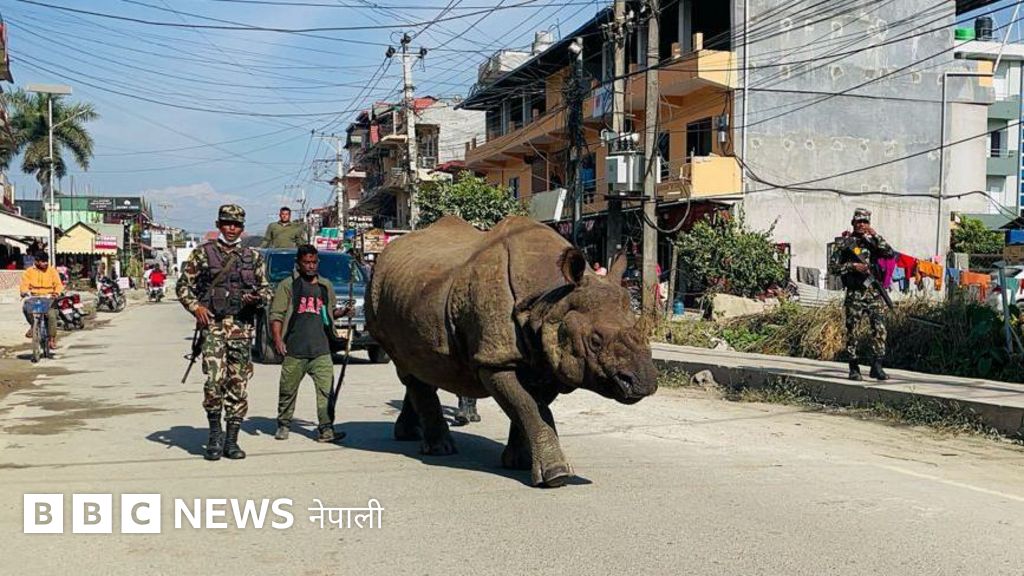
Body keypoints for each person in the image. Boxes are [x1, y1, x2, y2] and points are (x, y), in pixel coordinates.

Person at [177, 205, 271, 461]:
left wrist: (256, 297)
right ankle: (214, 437)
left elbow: (266, 290)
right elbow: (183, 286)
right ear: (219, 225)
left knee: (238, 385)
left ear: (242, 227)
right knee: (213, 384)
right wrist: (196, 307)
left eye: (236, 224)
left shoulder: (253, 256)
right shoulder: (203, 254)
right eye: (227, 223)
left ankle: (232, 440)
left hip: (240, 328)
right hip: (214, 329)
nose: (231, 228)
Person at [269, 244, 354, 443]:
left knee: (326, 392)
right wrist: (278, 339)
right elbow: (276, 315)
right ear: (298, 263)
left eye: (314, 262)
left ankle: (326, 429)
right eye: (306, 262)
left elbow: (329, 312)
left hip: (321, 349)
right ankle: (284, 423)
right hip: (295, 348)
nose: (311, 266)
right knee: (287, 390)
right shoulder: (288, 285)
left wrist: (343, 312)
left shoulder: (325, 285)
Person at [829, 208, 895, 382]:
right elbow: (833, 268)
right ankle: (854, 367)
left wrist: (875, 236)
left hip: (873, 293)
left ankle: (877, 366)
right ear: (853, 223)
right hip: (855, 294)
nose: (862, 225)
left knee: (879, 329)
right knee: (853, 331)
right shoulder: (845, 243)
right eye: (859, 221)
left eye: (865, 222)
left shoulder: (873, 243)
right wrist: (852, 266)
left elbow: (889, 253)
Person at [19, 251, 63, 351]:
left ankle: (51, 339)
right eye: (43, 261)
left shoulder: (52, 271)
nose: (45, 263)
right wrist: (24, 292)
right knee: (26, 308)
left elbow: (58, 285)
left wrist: (56, 293)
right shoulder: (29, 272)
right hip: (34, 297)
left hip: (48, 298)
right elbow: (24, 285)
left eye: (46, 261)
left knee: (51, 315)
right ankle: (33, 325)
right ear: (37, 262)